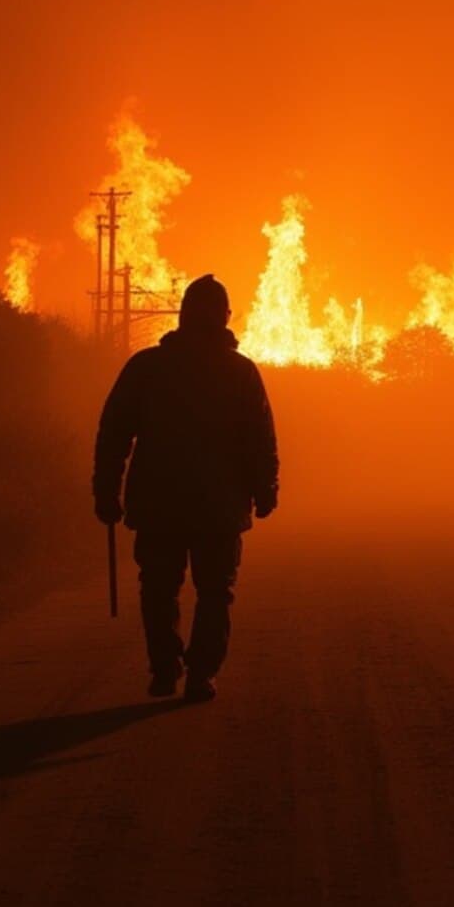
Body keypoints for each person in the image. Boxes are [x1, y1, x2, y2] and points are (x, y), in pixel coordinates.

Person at [93, 274, 279, 702]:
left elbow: (113, 435)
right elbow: (260, 438)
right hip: (219, 507)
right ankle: (200, 675)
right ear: (225, 317)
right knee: (215, 593)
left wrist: (106, 492)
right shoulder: (240, 372)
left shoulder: (146, 368)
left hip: (160, 505)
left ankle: (165, 668)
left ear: (182, 315)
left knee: (159, 588)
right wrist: (265, 488)